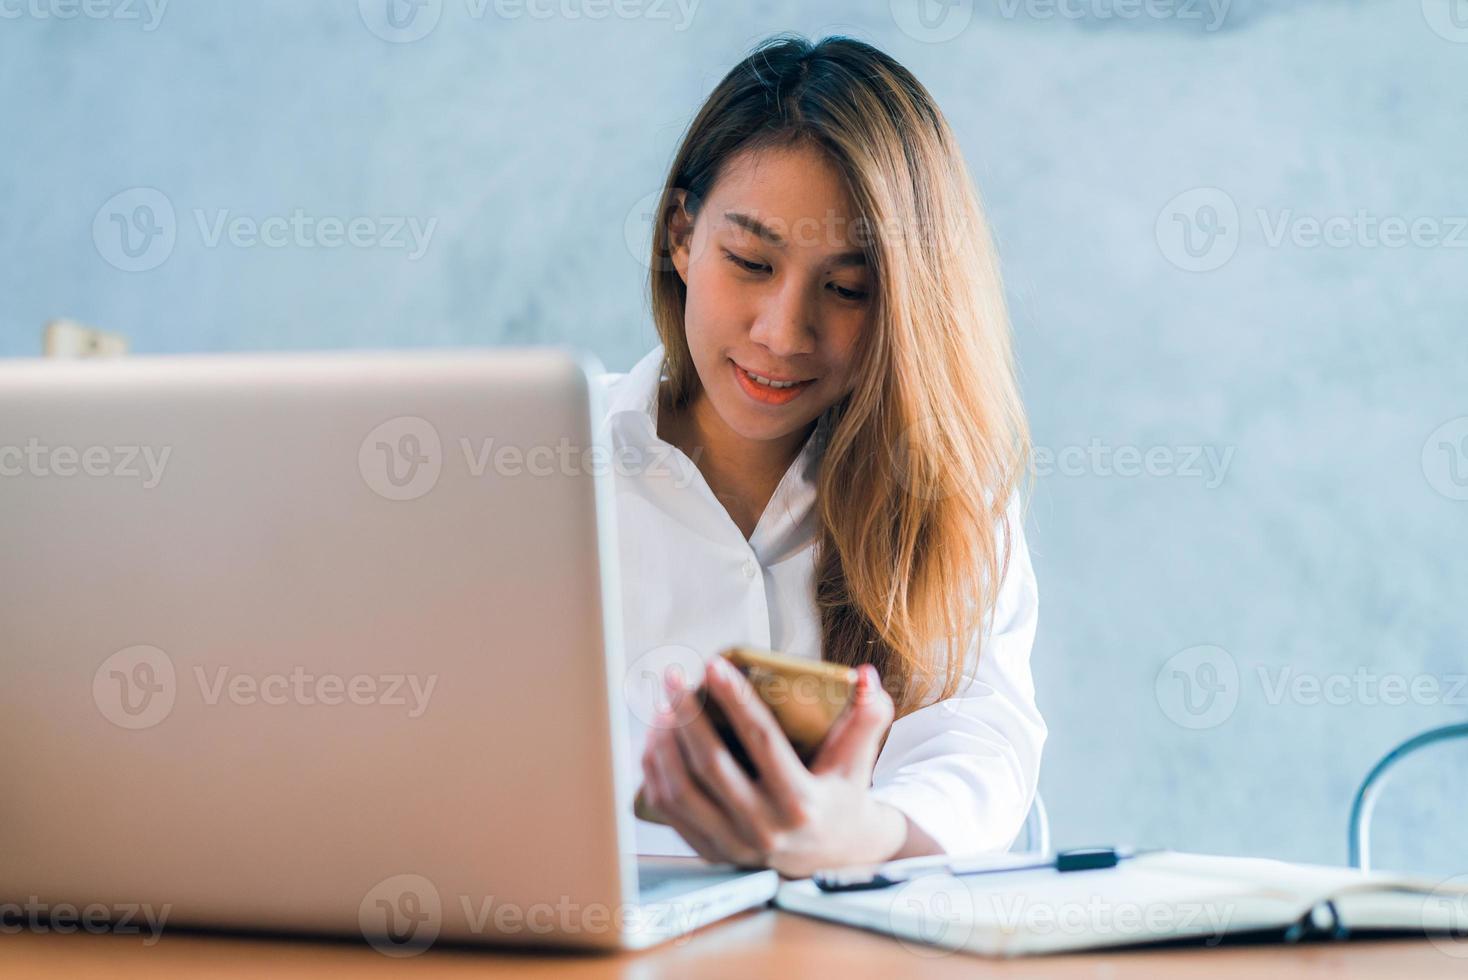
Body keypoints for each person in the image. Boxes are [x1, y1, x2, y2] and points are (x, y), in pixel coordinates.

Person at [602, 33, 1044, 880]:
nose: (783, 333)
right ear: (681, 237)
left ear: (904, 303)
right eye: (751, 262)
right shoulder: (548, 462)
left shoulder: (949, 490)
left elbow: (982, 739)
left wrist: (861, 830)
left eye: (847, 289)